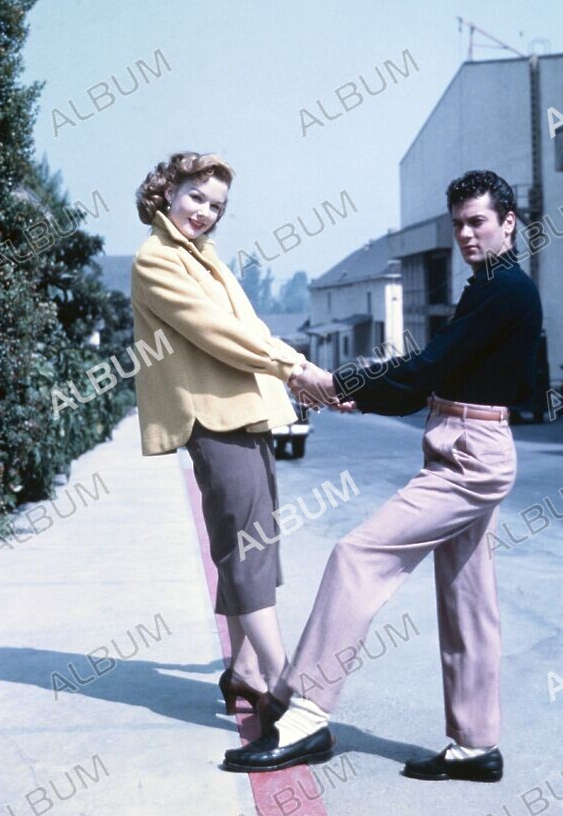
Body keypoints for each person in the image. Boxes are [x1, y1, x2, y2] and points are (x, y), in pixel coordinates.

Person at [223, 169, 543, 781]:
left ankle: (309, 711)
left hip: (471, 454)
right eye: (458, 225)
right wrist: (360, 395)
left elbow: (431, 367)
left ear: (509, 223)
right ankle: (476, 745)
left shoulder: (505, 290)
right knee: (469, 596)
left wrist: (338, 384)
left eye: (478, 222)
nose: (466, 235)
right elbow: (448, 377)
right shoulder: (489, 288)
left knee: (356, 555)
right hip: (466, 439)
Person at [129, 151, 345, 733]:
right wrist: (294, 369)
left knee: (254, 544)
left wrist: (300, 367)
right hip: (214, 420)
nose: (204, 212)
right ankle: (282, 684)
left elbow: (250, 328)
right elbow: (220, 335)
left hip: (245, 415)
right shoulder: (156, 260)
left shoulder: (205, 260)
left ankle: (245, 667)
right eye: (196, 196)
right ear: (167, 191)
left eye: (216, 206)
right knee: (246, 549)